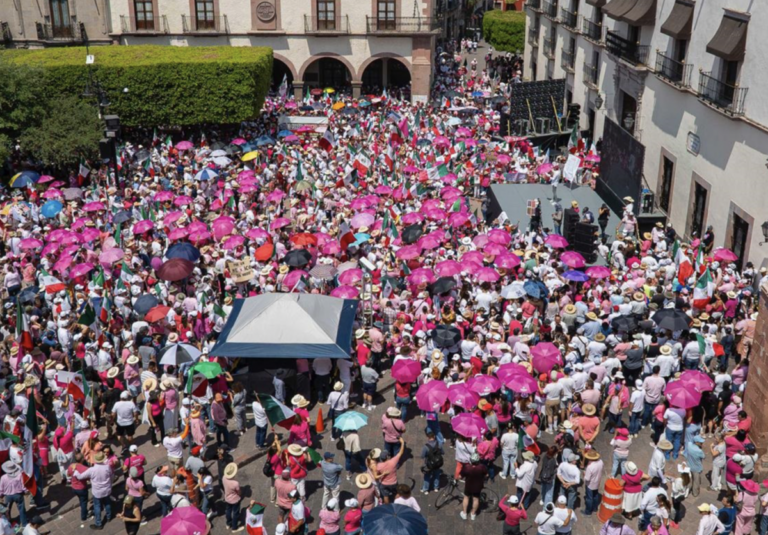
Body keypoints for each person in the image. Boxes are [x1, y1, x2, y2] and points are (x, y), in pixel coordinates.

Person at [75, 451, 115, 530]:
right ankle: (109, 516)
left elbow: (80, 477)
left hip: (97, 492)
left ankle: (98, 523)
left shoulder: (92, 470)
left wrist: (76, 471)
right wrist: (110, 484)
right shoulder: (107, 467)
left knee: (97, 506)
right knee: (107, 503)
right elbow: (112, 476)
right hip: (106, 489)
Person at [460, 453, 488, 521]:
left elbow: (460, 476)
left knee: (466, 497)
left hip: (468, 486)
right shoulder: (482, 467)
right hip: (478, 486)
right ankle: (473, 514)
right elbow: (486, 475)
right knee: (476, 499)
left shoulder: (467, 468)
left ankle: (464, 513)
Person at [420, 429, 443, 494]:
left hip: (429, 464)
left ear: (428, 437)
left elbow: (422, 456)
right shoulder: (439, 444)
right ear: (434, 436)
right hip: (437, 463)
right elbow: (442, 452)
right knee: (436, 475)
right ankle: (436, 487)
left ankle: (426, 489)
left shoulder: (426, 447)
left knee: (427, 476)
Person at [223, 462, 243, 532]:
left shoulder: (224, 478)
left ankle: (228, 523)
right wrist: (240, 494)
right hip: (234, 500)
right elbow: (239, 492)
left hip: (227, 498)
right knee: (235, 513)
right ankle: (234, 527)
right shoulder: (235, 483)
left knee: (228, 511)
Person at [583, 450, 604, 516]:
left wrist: (584, 474)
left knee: (589, 498)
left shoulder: (590, 467)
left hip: (590, 484)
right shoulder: (601, 462)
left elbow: (587, 478)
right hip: (597, 481)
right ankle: (595, 508)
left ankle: (588, 511)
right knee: (595, 495)